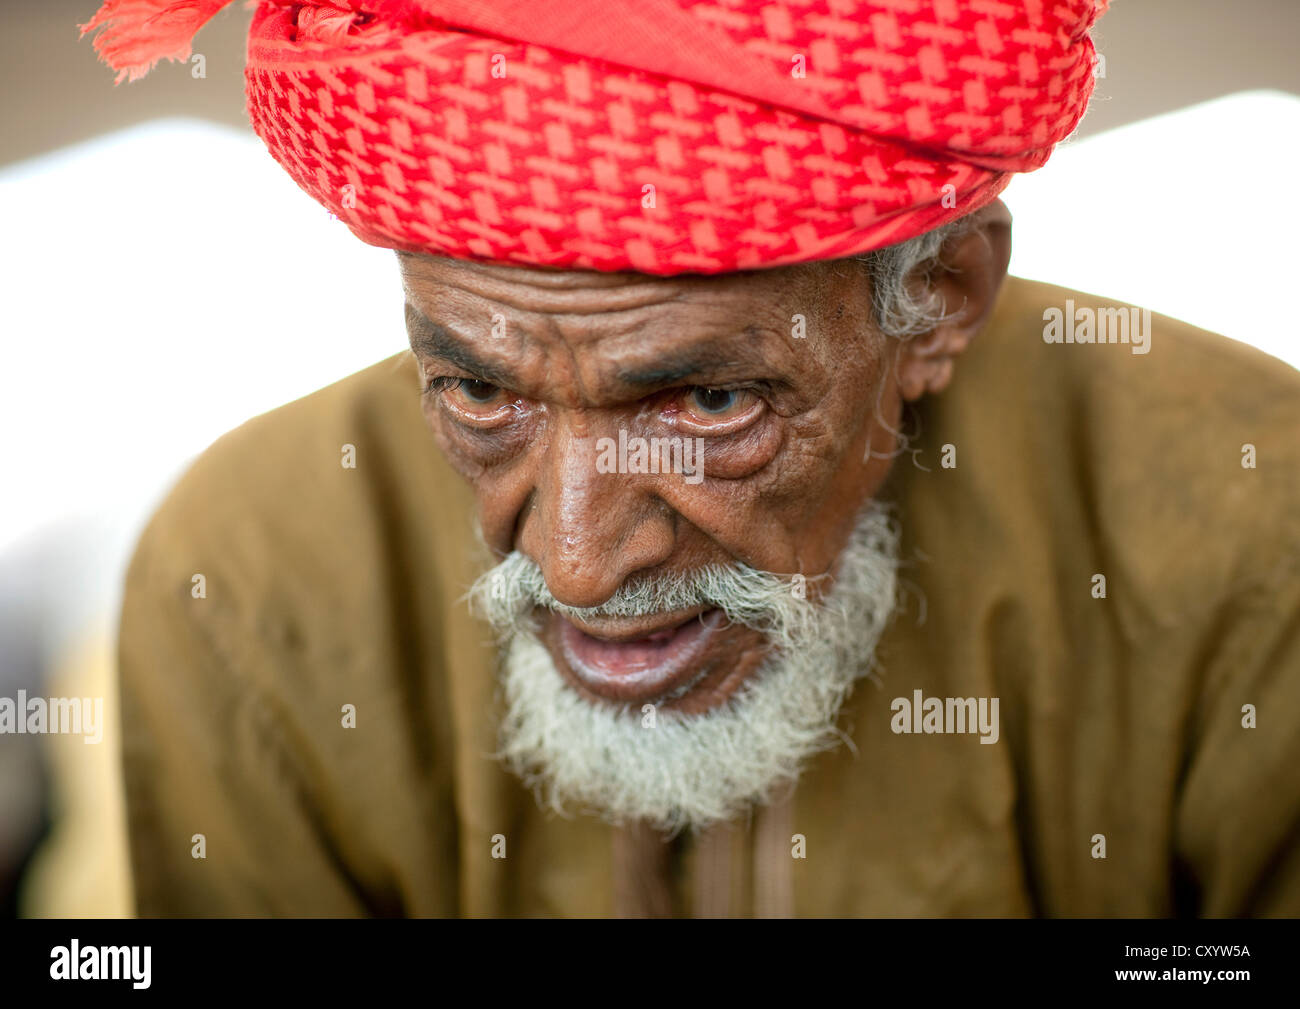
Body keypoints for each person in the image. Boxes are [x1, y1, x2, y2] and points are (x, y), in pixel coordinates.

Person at [85, 0, 1300, 916]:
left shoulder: (1254, 537)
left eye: (711, 399)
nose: (574, 564)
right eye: (475, 391)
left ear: (934, 301)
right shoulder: (244, 582)